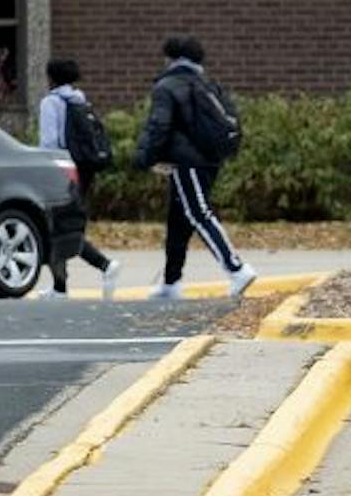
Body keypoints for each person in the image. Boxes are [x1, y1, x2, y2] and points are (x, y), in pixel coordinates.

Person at [131, 35, 258, 301]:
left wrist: (145, 158)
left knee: (199, 213)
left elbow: (159, 126)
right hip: (210, 159)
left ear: (171, 58)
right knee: (178, 220)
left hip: (186, 162)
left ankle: (236, 269)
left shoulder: (167, 86)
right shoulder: (206, 84)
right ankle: (171, 282)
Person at [36, 57, 122, 299]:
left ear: (50, 77)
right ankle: (60, 286)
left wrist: (45, 169)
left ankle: (103, 266)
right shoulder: (80, 100)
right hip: (84, 170)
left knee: (57, 227)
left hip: (62, 170)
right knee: (67, 225)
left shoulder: (51, 103)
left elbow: (49, 142)